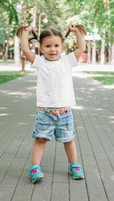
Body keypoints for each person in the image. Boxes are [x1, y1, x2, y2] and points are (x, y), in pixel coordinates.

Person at [16, 24, 86, 183]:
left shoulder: (67, 61)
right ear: (40, 47)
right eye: (47, 46)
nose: (52, 49)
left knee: (69, 140)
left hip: (65, 113)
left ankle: (74, 165)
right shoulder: (40, 62)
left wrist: (77, 32)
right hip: (45, 113)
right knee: (40, 140)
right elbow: (26, 50)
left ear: (62, 47)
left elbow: (81, 48)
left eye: (56, 45)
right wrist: (26, 34)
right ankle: (35, 167)